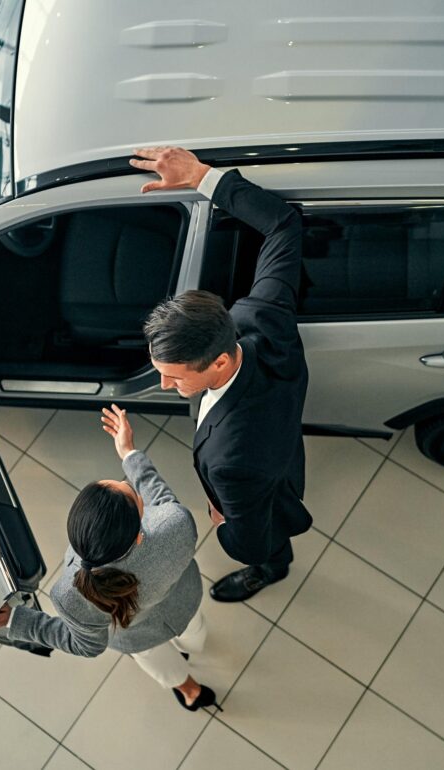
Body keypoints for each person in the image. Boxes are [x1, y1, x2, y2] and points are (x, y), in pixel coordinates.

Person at [131, 146, 312, 603]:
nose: (164, 387)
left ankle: (272, 571)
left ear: (219, 362)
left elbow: (246, 539)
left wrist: (223, 525)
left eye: (173, 377)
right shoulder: (262, 318)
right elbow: (284, 224)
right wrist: (202, 176)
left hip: (268, 481)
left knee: (266, 545)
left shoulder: (233, 462)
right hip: (280, 443)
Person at [0, 404, 219, 712]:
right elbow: (162, 496)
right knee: (195, 635)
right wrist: (129, 453)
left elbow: (82, 644)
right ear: (138, 535)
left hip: (135, 634)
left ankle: (188, 690)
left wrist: (14, 620)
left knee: (157, 661)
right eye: (129, 491)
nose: (127, 483)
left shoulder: (69, 594)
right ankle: (191, 652)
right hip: (183, 602)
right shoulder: (176, 526)